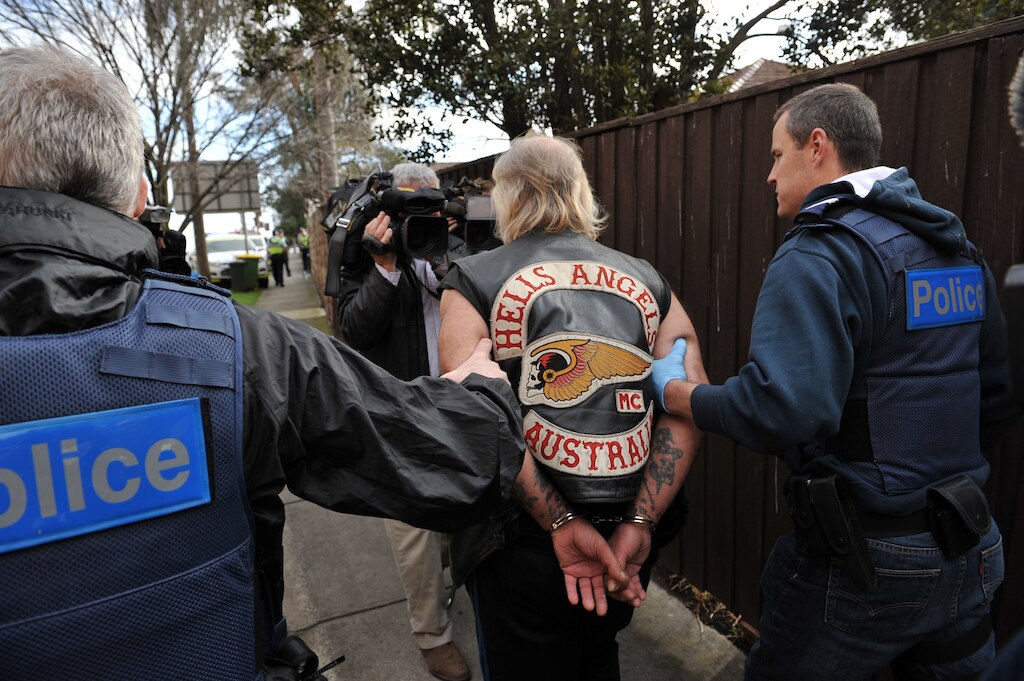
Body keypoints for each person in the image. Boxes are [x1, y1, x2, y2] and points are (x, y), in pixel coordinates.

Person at [0, 45, 524, 681]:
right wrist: (483, 391)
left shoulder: (443, 256)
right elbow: (466, 452)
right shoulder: (238, 348)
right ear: (139, 196)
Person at [653, 83, 1017, 680]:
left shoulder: (821, 252)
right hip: (971, 547)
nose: (769, 176)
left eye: (775, 156)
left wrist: (678, 395)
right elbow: (999, 398)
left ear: (817, 146)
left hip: (867, 562)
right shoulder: (954, 249)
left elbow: (785, 409)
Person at [436, 134, 707, 681]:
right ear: (583, 194)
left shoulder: (471, 282)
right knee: (598, 659)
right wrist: (639, 522)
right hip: (625, 536)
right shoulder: (649, 282)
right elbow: (688, 403)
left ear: (505, 199)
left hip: (520, 544)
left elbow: (476, 422)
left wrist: (559, 520)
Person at [334, 162, 474, 681]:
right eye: (408, 205)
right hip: (401, 410)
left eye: (429, 206)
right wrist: (385, 266)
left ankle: (447, 584)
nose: (420, 215)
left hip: (462, 404)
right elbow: (355, 329)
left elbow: (485, 302)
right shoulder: (363, 248)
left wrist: (444, 255)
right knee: (413, 528)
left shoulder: (455, 249)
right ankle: (433, 636)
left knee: (461, 517)